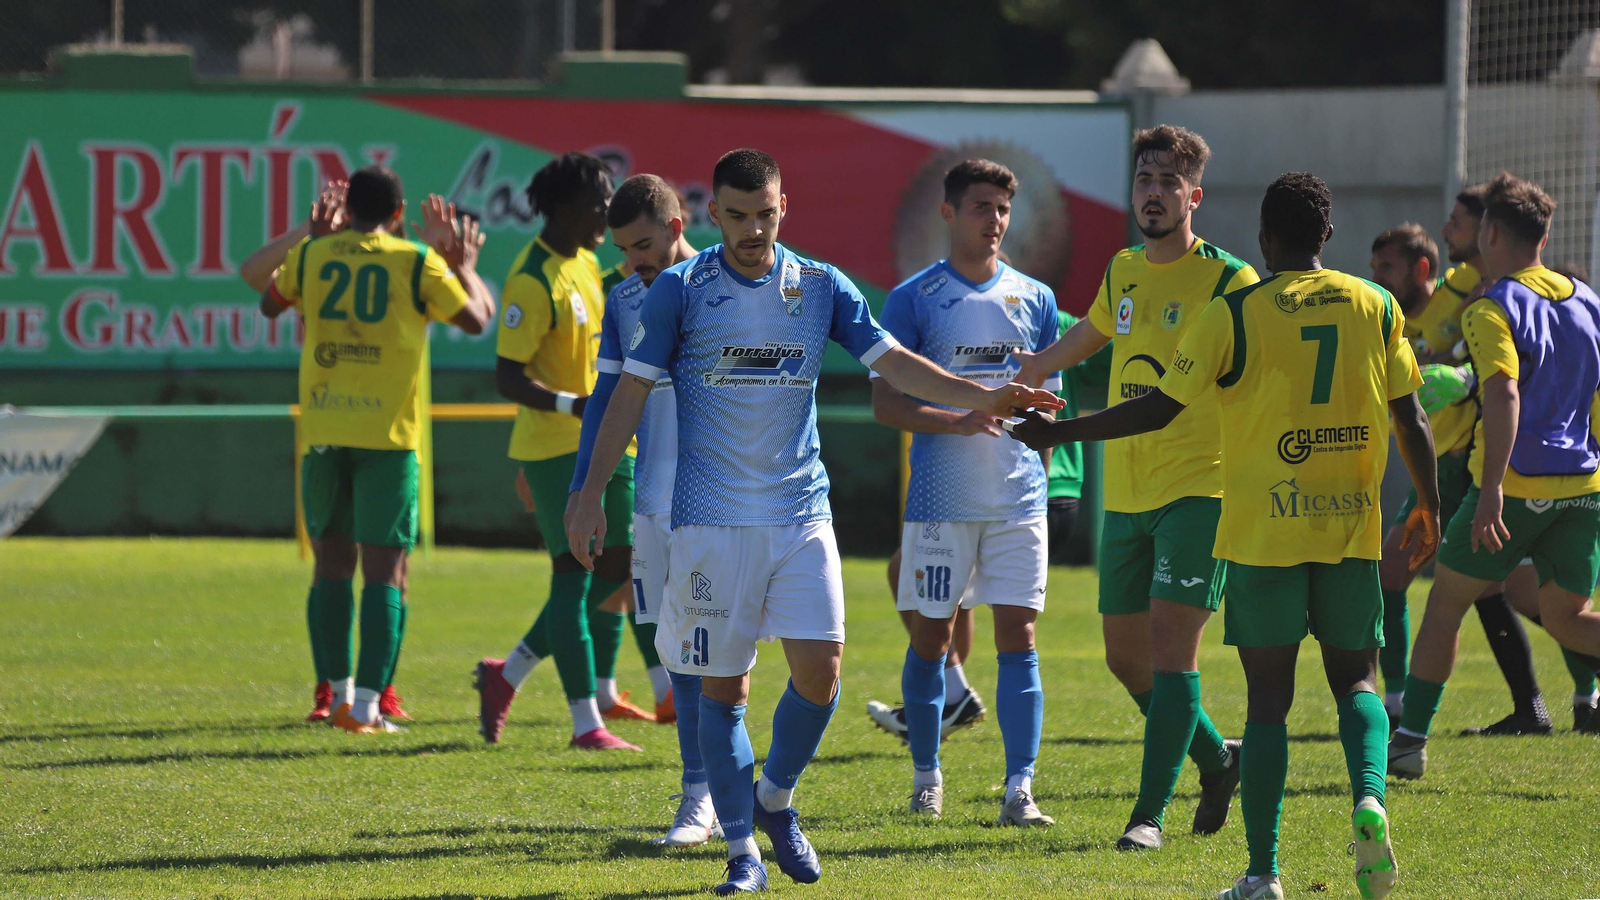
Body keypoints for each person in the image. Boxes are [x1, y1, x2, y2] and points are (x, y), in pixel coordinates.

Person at [565, 149, 1062, 895]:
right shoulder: (677, 291)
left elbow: (893, 363)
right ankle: (742, 854)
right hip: (711, 523)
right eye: (735, 216)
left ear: (783, 206)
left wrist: (981, 396)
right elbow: (627, 397)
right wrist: (587, 492)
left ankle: (774, 798)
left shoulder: (820, 285)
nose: (751, 230)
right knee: (722, 694)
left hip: (800, 514)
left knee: (821, 675)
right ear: (712, 215)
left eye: (764, 214)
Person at [1012, 171, 1435, 900]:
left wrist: (1062, 430)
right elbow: (1413, 418)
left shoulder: (1233, 312)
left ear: (1265, 238)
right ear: (1327, 236)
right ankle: (1369, 799)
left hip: (1263, 530)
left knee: (1267, 701)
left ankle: (1263, 871)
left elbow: (1156, 410)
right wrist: (1428, 506)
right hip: (1347, 527)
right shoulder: (1377, 305)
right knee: (1357, 681)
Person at [1015, 124, 1256, 851]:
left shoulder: (1228, 280)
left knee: (1171, 649)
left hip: (1200, 487)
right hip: (1123, 489)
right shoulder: (1123, 268)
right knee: (1126, 659)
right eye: (1145, 181)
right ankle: (1218, 759)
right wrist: (1033, 367)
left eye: (1168, 183)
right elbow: (1091, 334)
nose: (1154, 194)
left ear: (1194, 196)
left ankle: (1146, 817)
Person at [259, 167, 497, 733]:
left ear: (350, 209)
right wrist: (464, 267)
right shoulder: (414, 259)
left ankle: (336, 696)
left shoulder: (314, 255)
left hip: (323, 430)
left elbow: (270, 304)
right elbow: (476, 318)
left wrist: (315, 248)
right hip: (387, 437)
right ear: (397, 214)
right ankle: (367, 706)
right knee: (384, 573)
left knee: (331, 568)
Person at [867, 159, 1062, 824]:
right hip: (941, 504)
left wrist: (1049, 441)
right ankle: (927, 777)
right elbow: (886, 404)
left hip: (1018, 500)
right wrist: (958, 417)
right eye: (981, 206)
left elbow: (1052, 403)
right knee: (931, 637)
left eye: (1003, 209)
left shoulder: (1035, 299)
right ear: (948, 213)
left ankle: (1020, 790)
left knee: (1021, 634)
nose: (994, 219)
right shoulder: (913, 298)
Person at [1390, 172, 1600, 777]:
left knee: (1445, 605)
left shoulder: (1493, 307)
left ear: (1492, 232)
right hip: (1583, 491)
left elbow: (1503, 394)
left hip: (1518, 488)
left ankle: (1407, 741)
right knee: (1567, 617)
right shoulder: (1586, 300)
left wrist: (1490, 493)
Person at [473, 152, 657, 750]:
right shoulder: (533, 276)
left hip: (604, 443)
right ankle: (586, 723)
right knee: (574, 574)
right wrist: (570, 406)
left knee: (619, 569)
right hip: (556, 449)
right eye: (598, 201)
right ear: (563, 208)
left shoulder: (585, 264)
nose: (607, 211)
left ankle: (513, 674)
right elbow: (507, 376)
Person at [567, 173, 716, 844]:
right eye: (627, 250)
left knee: (734, 656)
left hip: (728, 501)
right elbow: (604, 400)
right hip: (655, 504)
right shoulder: (623, 296)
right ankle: (698, 797)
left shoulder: (726, 286)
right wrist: (585, 491)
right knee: (679, 651)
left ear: (679, 225)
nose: (637, 262)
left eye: (646, 245)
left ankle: (755, 789)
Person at [242, 180, 406, 724]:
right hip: (374, 428)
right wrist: (308, 235)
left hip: (344, 423)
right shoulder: (321, 257)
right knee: (367, 566)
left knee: (365, 567)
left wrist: (313, 240)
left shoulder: (380, 262)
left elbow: (257, 286)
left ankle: (367, 692)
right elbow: (253, 275)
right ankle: (345, 693)